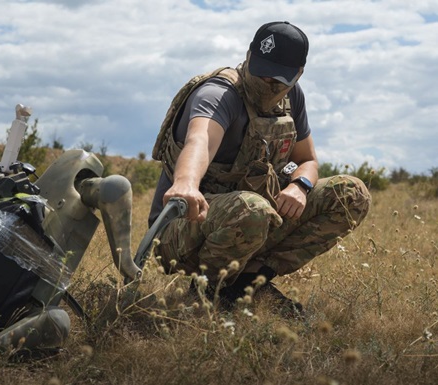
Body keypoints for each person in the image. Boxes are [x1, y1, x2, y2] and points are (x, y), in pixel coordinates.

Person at [149, 21, 371, 315]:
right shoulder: (218, 93)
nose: (267, 81)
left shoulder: (292, 97)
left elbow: (308, 160)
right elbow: (200, 139)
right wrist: (186, 183)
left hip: (253, 218)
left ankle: (249, 281)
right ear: (249, 56)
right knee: (251, 209)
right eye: (261, 70)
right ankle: (208, 289)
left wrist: (299, 186)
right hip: (183, 225)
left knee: (350, 194)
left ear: (298, 74)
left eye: (278, 78)